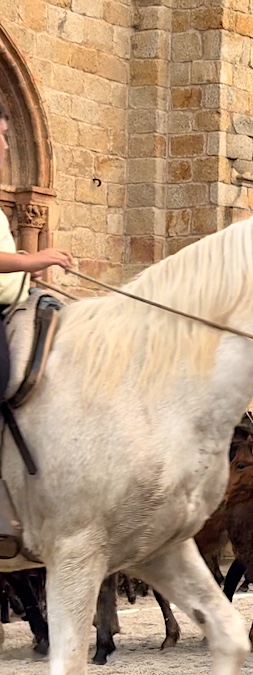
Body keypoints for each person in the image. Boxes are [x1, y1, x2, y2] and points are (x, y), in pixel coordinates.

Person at [0, 103, 76, 557]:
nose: (7, 146)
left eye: (8, 137)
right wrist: (37, 259)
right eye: (1, 136)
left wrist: (32, 279)